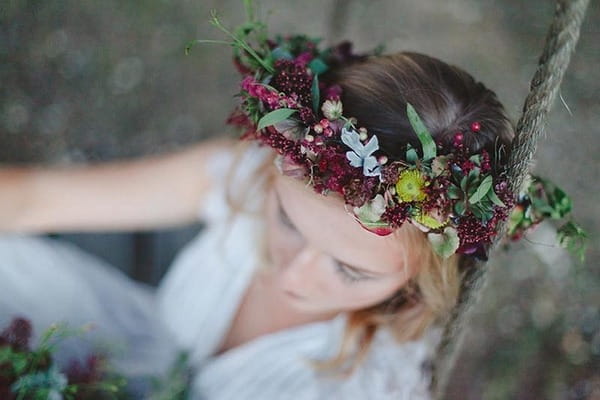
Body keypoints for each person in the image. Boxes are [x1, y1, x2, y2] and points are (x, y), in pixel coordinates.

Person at [0, 16, 525, 399]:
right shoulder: (257, 173)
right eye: (287, 222)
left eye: (349, 270)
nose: (292, 274)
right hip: (131, 341)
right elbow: (32, 200)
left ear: (418, 277)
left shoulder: (371, 385)